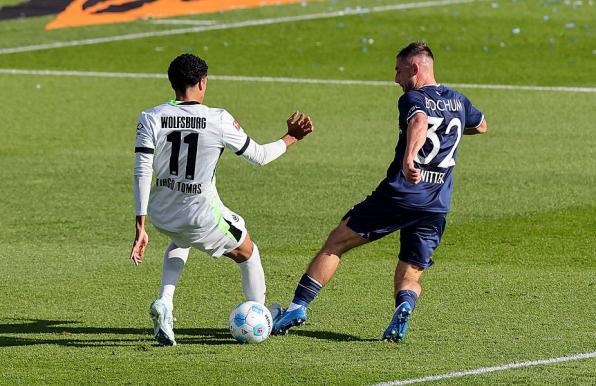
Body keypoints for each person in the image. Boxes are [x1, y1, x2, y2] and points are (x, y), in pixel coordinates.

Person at [272, 42, 487, 341]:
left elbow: (420, 121)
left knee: (336, 242)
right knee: (411, 271)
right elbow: (482, 125)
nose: (395, 79)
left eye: (399, 71)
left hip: (402, 194)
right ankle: (404, 309)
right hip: (437, 204)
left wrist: (410, 157)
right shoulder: (459, 101)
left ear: (415, 68)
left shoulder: (413, 98)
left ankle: (297, 306)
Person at [130, 53, 313, 346]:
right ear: (203, 82)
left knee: (181, 239)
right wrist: (291, 138)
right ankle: (261, 314)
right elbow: (260, 157)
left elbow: (141, 170)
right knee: (248, 252)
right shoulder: (218, 119)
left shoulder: (151, 116)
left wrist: (141, 225)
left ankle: (165, 302)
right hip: (201, 215)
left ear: (172, 83)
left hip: (162, 213)